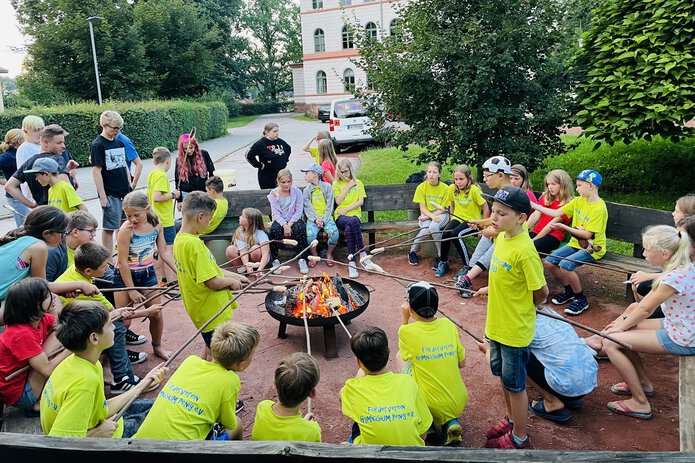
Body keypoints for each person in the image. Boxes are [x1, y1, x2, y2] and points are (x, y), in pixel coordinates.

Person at [474, 185, 548, 449]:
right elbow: (505, 277)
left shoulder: (525, 250)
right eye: (493, 211)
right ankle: (510, 418)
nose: (494, 218)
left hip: (515, 331)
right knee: (504, 379)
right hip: (496, 325)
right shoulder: (503, 238)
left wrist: (526, 308)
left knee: (515, 385)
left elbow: (541, 292)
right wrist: (490, 288)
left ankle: (520, 436)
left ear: (521, 218)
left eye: (502, 214)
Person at [596, 225, 695, 420]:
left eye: (647, 248)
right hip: (681, 326)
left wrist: (619, 326)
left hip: (684, 337)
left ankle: (640, 402)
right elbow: (641, 307)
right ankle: (643, 383)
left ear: (664, 253)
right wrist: (623, 325)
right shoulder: (683, 265)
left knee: (611, 342)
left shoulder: (673, 277)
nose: (643, 253)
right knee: (622, 333)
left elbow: (645, 309)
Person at [40, 300, 168, 438]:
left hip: (100, 423)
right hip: (103, 441)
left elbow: (102, 407)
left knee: (164, 403)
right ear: (94, 338)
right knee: (168, 412)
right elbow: (56, 444)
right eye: (109, 324)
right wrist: (94, 435)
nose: (114, 327)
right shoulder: (84, 383)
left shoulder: (80, 363)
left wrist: (143, 384)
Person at [56, 241, 158, 394]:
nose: (107, 268)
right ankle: (122, 378)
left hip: (67, 317)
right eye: (104, 267)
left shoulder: (75, 271)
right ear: (89, 271)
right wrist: (147, 312)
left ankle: (119, 359)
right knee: (116, 327)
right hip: (67, 326)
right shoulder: (86, 290)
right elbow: (116, 314)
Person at [134, 321, 259, 440]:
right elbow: (229, 423)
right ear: (241, 364)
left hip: (138, 445)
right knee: (237, 425)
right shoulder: (230, 380)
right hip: (181, 454)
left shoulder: (191, 361)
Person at [174, 191, 243, 361]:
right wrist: (230, 282)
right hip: (211, 311)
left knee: (209, 345)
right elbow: (212, 282)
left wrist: (236, 277)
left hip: (200, 308)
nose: (209, 224)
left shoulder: (180, 239)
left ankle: (203, 370)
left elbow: (210, 269)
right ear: (200, 217)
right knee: (218, 353)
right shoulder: (195, 245)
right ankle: (213, 381)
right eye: (209, 220)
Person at [396, 281, 467, 446]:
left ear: (411, 309)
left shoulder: (407, 331)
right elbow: (461, 363)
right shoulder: (448, 325)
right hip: (459, 400)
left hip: (429, 403)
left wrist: (404, 318)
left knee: (401, 357)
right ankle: (450, 421)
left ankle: (427, 423)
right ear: (437, 307)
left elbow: (406, 354)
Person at [531, 169, 608, 316]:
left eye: (579, 185)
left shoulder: (599, 208)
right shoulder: (578, 201)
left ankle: (581, 299)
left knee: (566, 265)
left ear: (591, 186)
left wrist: (563, 227)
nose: (577, 188)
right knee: (549, 262)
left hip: (593, 248)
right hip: (575, 243)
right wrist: (535, 206)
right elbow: (556, 213)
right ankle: (569, 291)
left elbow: (587, 234)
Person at [340, 326, 433, 446]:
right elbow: (423, 434)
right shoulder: (408, 382)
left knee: (345, 444)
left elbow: (342, 397)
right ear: (388, 351)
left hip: (371, 457)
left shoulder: (351, 388)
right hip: (411, 456)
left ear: (358, 362)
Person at [114, 191, 176, 360]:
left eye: (136, 215)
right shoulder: (126, 230)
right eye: (128, 215)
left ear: (147, 209)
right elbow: (123, 262)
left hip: (147, 274)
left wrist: (179, 270)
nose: (132, 219)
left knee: (156, 313)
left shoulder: (157, 225)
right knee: (123, 319)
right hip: (125, 276)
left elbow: (163, 251)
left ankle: (157, 346)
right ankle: (119, 351)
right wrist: (131, 290)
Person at [0, 206, 98, 309]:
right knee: (50, 301)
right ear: (47, 234)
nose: (64, 237)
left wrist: (64, 290)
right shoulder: (38, 246)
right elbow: (41, 288)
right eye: (63, 233)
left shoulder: (20, 241)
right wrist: (80, 284)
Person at [0, 278, 71, 416]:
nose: (53, 296)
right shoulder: (21, 333)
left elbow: (63, 323)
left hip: (27, 380)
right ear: (32, 305)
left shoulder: (40, 319)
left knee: (62, 332)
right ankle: (39, 403)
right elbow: (47, 370)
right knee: (60, 337)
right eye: (46, 296)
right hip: (21, 394)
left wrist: (112, 315)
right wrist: (71, 349)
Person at [454, 155, 513, 297]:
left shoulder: (511, 195)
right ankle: (468, 278)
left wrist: (490, 231)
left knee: (488, 254)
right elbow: (494, 218)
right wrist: (480, 222)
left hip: (509, 238)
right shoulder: (501, 192)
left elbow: (507, 224)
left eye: (487, 176)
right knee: (480, 250)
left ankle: (468, 278)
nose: (485, 179)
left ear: (500, 175)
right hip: (497, 233)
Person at [629, 194, 695, 303]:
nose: (673, 214)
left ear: (688, 215)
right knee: (641, 289)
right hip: (673, 276)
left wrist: (648, 276)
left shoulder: (690, 243)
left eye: (677, 211)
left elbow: (684, 274)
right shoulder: (681, 234)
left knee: (642, 289)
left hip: (684, 292)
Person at [251, 352, 321, 442]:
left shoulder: (262, 407)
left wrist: (303, 423)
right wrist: (305, 425)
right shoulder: (312, 431)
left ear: (275, 384)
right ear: (312, 393)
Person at [435, 164, 489, 278]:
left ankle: (467, 266)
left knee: (455, 234)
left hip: (472, 221)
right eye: (456, 179)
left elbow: (485, 207)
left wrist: (483, 226)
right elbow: (452, 204)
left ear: (469, 178)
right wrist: (452, 219)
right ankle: (443, 262)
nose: (458, 182)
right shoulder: (452, 188)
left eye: (461, 179)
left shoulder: (475, 190)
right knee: (446, 233)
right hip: (458, 218)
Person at [91, 110, 132, 257]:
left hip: (124, 190)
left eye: (119, 128)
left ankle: (122, 253)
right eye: (114, 128)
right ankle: (108, 259)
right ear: (104, 125)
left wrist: (130, 184)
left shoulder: (119, 142)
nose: (117, 131)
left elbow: (124, 165)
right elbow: (96, 171)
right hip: (110, 192)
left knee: (123, 224)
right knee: (110, 227)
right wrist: (102, 196)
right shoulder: (98, 145)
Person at [5, 124, 72, 211]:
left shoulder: (29, 162)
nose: (63, 146)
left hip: (41, 212)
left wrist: (31, 205)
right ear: (46, 142)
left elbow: (9, 186)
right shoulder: (57, 160)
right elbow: (67, 188)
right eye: (59, 143)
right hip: (59, 212)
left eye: (63, 142)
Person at [333, 159, 376, 279]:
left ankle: (351, 261)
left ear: (350, 169)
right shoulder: (336, 184)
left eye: (346, 171)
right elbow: (338, 201)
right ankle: (363, 254)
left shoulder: (359, 183)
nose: (344, 174)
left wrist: (347, 209)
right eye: (341, 172)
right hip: (340, 216)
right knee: (353, 222)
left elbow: (360, 201)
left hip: (353, 214)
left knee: (350, 227)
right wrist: (348, 186)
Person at [146, 147, 180, 284]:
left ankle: (164, 279)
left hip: (155, 218)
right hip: (165, 220)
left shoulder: (152, 174)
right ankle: (172, 281)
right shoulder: (162, 175)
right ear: (168, 161)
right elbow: (157, 197)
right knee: (168, 250)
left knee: (160, 250)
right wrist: (173, 195)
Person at [408, 161, 450, 268]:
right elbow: (422, 207)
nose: (431, 175)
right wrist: (429, 216)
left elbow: (443, 209)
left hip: (442, 214)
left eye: (434, 172)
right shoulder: (421, 187)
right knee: (427, 227)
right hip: (426, 214)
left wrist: (429, 217)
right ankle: (412, 252)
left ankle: (441, 256)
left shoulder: (445, 188)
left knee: (433, 226)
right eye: (429, 172)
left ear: (439, 174)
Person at [267, 169, 309, 275]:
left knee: (300, 228)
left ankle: (302, 258)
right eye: (283, 182)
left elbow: (299, 211)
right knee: (274, 230)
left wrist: (289, 224)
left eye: (288, 182)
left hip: (293, 219)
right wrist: (284, 225)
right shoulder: (273, 194)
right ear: (278, 181)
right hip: (280, 220)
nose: (286, 185)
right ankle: (275, 259)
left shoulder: (297, 192)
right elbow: (276, 213)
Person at [526, 169, 574, 255]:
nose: (550, 187)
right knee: (517, 242)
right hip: (537, 231)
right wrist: (524, 229)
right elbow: (536, 214)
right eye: (548, 184)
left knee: (530, 248)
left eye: (553, 184)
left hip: (553, 236)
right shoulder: (546, 197)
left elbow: (551, 226)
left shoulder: (569, 203)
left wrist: (533, 240)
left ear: (563, 185)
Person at [302, 163, 338, 267]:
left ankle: (329, 253)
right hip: (313, 219)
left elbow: (330, 206)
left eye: (306, 173)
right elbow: (307, 207)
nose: (305, 176)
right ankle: (314, 254)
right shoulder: (307, 190)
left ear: (315, 174)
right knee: (310, 235)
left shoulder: (327, 187)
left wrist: (323, 220)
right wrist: (315, 219)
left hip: (326, 218)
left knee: (334, 234)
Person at [245, 122, 291, 189]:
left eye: (277, 131)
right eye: (274, 131)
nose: (277, 133)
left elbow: (288, 149)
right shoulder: (260, 144)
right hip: (267, 176)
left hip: (281, 174)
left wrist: (285, 160)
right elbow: (248, 155)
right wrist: (259, 165)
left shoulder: (281, 142)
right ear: (267, 132)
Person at [225, 207, 271, 274]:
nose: (240, 217)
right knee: (230, 249)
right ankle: (243, 268)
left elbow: (265, 254)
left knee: (255, 249)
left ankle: (256, 268)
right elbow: (243, 251)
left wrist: (261, 268)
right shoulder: (239, 232)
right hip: (245, 259)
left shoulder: (261, 234)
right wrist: (247, 266)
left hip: (259, 260)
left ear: (250, 221)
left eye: (243, 216)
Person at [175, 132, 215, 205]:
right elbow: (178, 181)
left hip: (203, 194)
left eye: (191, 148)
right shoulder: (179, 160)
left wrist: (211, 191)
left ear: (195, 146)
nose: (189, 151)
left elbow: (212, 173)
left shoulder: (204, 154)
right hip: (187, 195)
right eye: (185, 149)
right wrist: (179, 201)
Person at [15, 115, 45, 207]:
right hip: (36, 196)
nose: (40, 133)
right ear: (25, 131)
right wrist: (32, 203)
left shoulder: (41, 144)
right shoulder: (25, 148)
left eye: (42, 129)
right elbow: (27, 175)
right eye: (36, 130)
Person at [0, 128, 29, 226]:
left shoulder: (20, 153)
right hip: (15, 196)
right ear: (19, 140)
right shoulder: (6, 157)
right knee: (24, 224)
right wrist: (7, 183)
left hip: (25, 193)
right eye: (24, 138)